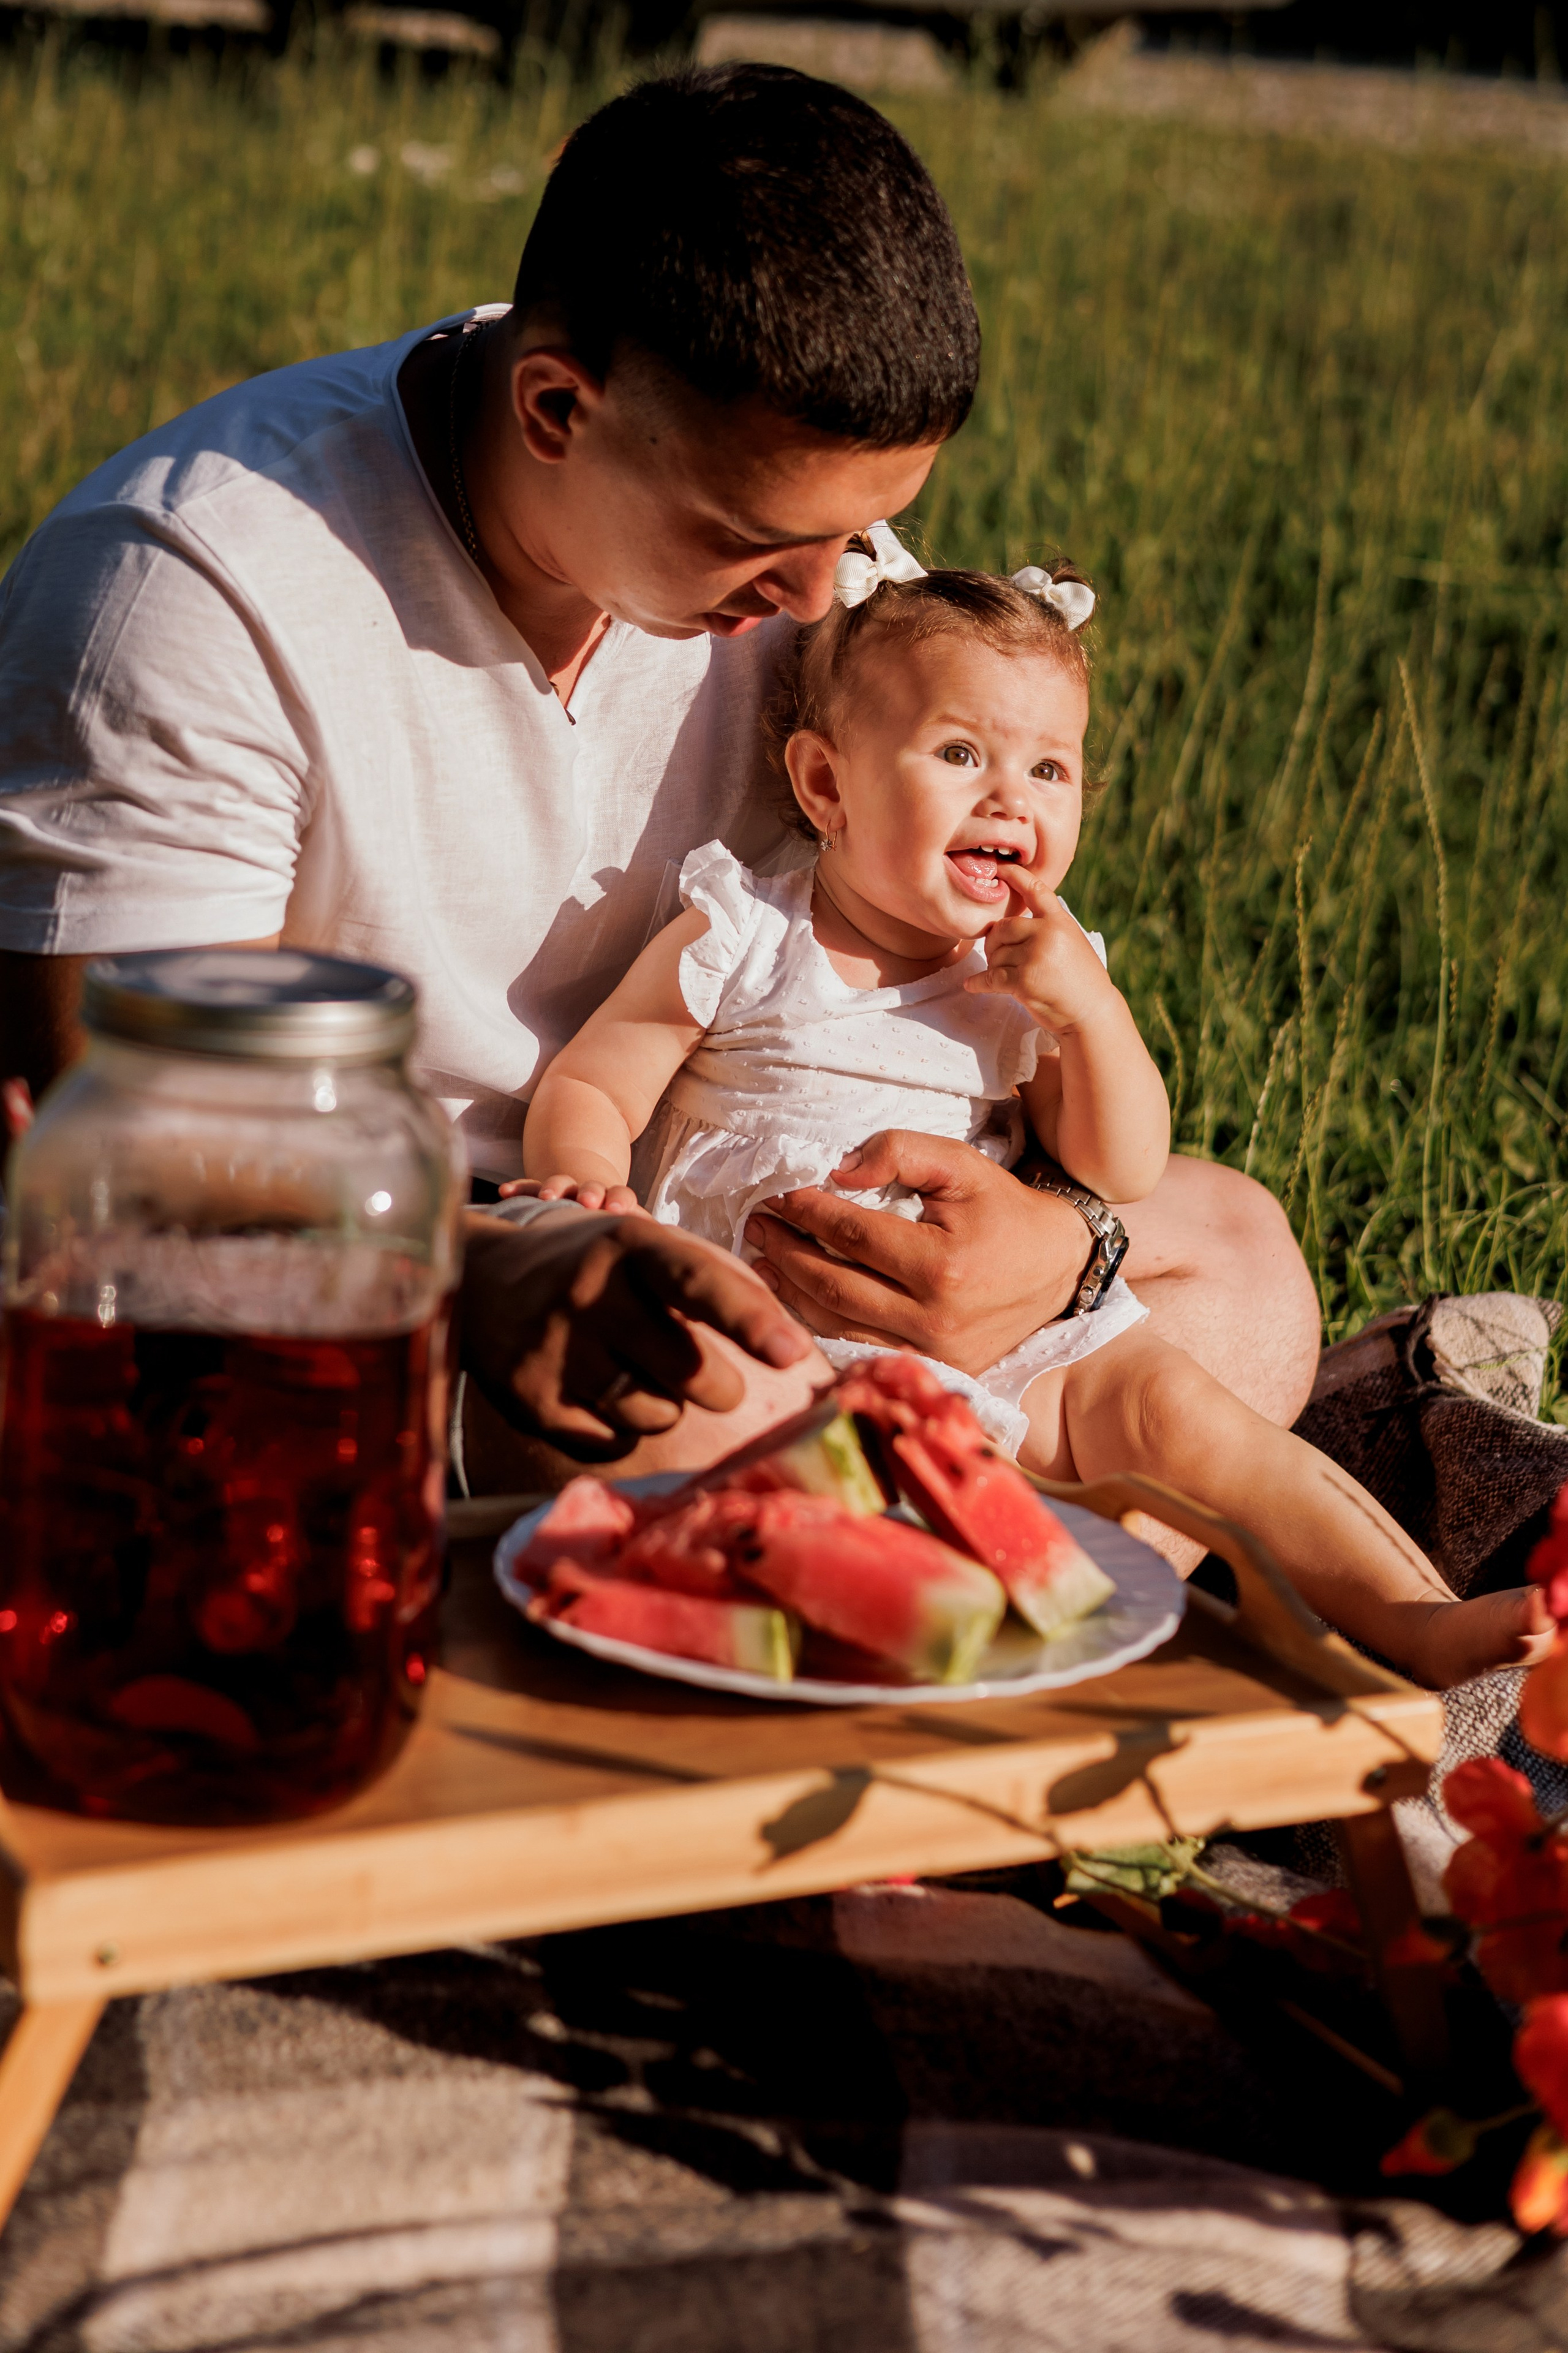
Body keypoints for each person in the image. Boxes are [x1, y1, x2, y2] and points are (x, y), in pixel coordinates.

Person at [0, 66, 1319, 1478]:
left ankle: (928, 1569)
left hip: (734, 1187)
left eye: (873, 526)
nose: (827, 599)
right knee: (737, 1412)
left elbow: (948, 968)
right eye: (760, 539)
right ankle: (1016, 1575)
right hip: (404, 1270)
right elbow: (127, 1142)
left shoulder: (804, 576)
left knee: (1243, 1267)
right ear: (557, 408)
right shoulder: (192, 592)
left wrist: (1060, 1242)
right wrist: (469, 1269)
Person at [513, 542, 1550, 1686]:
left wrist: (1089, 1016)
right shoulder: (749, 936)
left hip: (1016, 1340)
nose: (1012, 796)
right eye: (961, 753)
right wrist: (587, 1187)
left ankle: (1416, 1614)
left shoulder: (1026, 982)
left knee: (1191, 1419)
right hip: (783, 1333)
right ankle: (982, 1654)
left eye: (1052, 769)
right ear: (826, 786)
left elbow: (1122, 1164)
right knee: (844, 1511)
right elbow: (598, 1081)